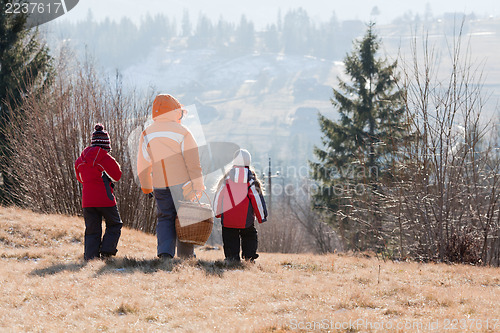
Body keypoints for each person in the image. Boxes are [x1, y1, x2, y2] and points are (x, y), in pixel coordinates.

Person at [137, 94, 205, 259]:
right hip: (182, 184)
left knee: (165, 217)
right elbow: (193, 163)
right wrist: (198, 185)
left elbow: (143, 164)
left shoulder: (147, 133)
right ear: (176, 112)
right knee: (185, 218)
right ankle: (186, 256)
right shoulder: (183, 132)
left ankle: (165, 253)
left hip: (160, 184)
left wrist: (147, 186)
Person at [75, 123, 123, 261]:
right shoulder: (104, 157)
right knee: (115, 224)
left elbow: (80, 178)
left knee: (92, 230)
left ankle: (91, 258)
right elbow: (117, 175)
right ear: (106, 144)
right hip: (104, 198)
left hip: (87, 200)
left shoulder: (81, 159)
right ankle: (107, 252)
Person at [214, 149, 268, 262]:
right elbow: (257, 199)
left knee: (229, 237)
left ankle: (231, 258)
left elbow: (219, 196)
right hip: (246, 219)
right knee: (250, 235)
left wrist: (217, 212)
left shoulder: (226, 179)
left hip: (228, 218)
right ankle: (249, 257)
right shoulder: (251, 180)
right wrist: (261, 216)